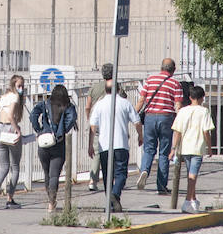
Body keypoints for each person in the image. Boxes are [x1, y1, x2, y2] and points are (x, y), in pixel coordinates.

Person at [89, 77, 141, 212]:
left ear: (105, 90)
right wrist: (140, 136)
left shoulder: (99, 105)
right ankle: (115, 194)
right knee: (121, 174)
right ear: (118, 89)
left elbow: (93, 126)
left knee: (107, 175)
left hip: (104, 146)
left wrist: (90, 145)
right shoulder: (125, 103)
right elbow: (137, 121)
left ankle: (110, 203)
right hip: (121, 144)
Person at [136, 58, 182, 195]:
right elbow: (178, 105)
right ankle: (161, 186)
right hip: (166, 118)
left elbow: (141, 100)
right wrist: (180, 123)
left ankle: (145, 169)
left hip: (150, 117)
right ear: (173, 70)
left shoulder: (150, 80)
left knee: (149, 149)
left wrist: (133, 115)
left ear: (161, 67)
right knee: (164, 152)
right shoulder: (175, 83)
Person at [29, 84, 77, 213]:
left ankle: (51, 201)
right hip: (58, 143)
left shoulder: (45, 104)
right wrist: (63, 131)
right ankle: (52, 202)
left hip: (44, 143)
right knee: (54, 175)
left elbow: (33, 115)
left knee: (46, 174)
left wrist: (39, 130)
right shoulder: (67, 106)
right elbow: (72, 118)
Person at [169, 85, 214, 213]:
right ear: (202, 98)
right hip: (197, 147)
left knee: (190, 174)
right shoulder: (204, 111)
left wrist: (173, 149)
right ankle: (188, 201)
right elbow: (206, 131)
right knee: (193, 176)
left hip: (184, 147)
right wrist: (209, 147)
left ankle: (193, 200)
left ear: (190, 97)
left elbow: (177, 131)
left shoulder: (182, 111)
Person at [0, 74, 27, 208]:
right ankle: (10, 198)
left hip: (0, 129)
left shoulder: (4, 96)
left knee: (4, 166)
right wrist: (17, 129)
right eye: (19, 86)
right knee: (15, 167)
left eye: (23, 86)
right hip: (10, 129)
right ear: (13, 86)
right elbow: (11, 115)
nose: (21, 88)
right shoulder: (15, 96)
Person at [84, 64, 118, 192]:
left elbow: (87, 106)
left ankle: (93, 180)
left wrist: (89, 118)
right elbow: (123, 98)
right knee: (113, 150)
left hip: (97, 122)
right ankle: (112, 178)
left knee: (97, 152)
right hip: (111, 122)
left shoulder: (94, 87)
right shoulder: (116, 86)